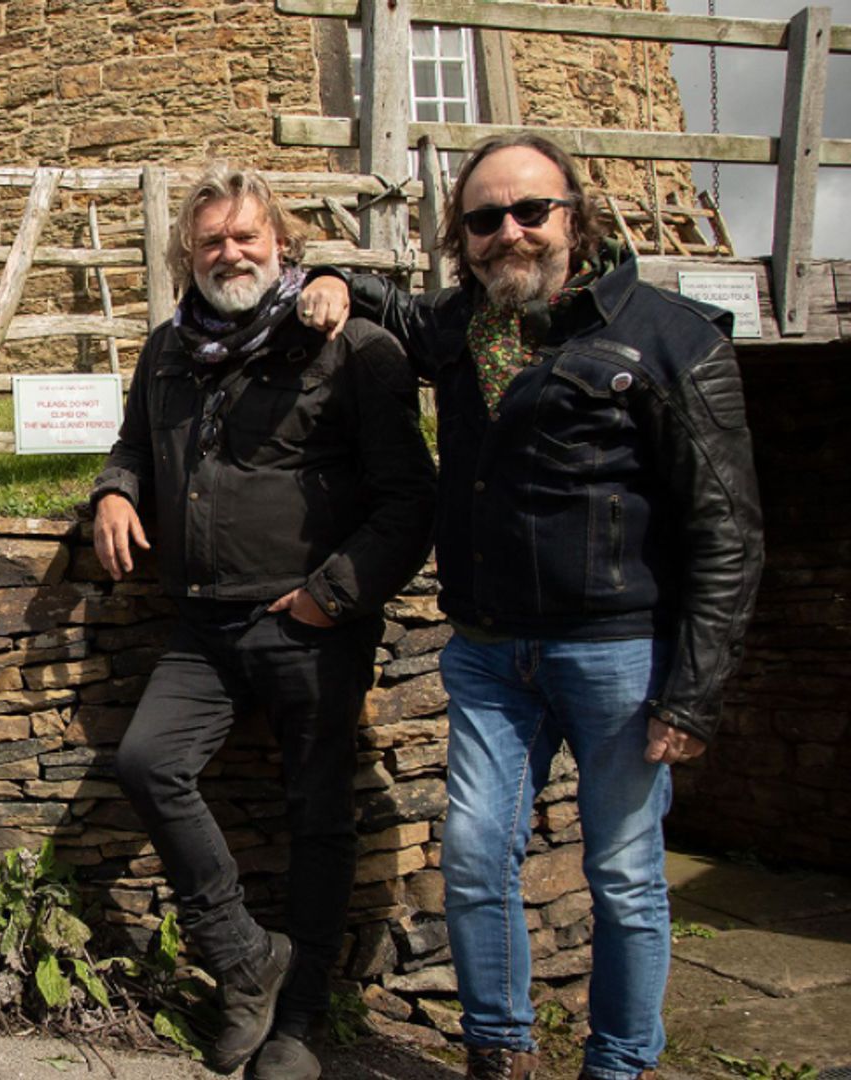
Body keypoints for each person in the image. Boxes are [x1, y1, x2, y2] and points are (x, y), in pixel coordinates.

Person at [297, 133, 763, 1080]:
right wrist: (333, 274)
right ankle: (499, 1053)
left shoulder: (672, 340)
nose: (508, 232)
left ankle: (619, 1065)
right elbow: (392, 303)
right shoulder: (467, 324)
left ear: (573, 215)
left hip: (617, 659)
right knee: (472, 862)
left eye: (530, 211)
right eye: (483, 219)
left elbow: (730, 531)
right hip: (486, 653)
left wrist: (695, 693)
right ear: (462, 237)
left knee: (625, 878)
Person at [93, 163, 436, 1079]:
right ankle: (248, 963)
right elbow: (134, 445)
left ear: (281, 242)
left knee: (317, 814)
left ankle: (303, 1022)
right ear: (187, 255)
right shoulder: (168, 349)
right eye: (211, 241)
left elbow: (409, 499)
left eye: (246, 236)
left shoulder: (347, 342)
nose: (229, 252)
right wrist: (118, 492)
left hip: (311, 621)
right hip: (204, 623)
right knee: (146, 762)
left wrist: (335, 593)